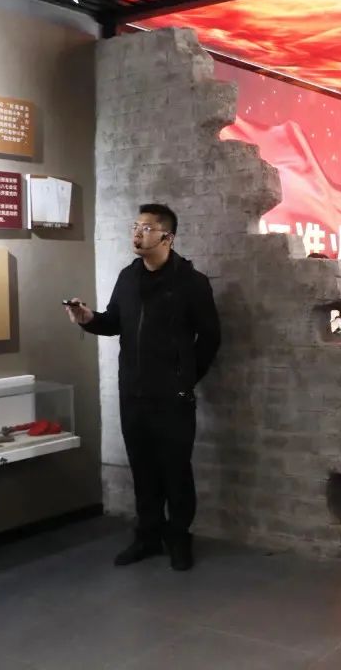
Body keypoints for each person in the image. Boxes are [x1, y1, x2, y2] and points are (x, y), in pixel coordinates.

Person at [66, 203, 220, 572]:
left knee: (175, 470)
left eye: (147, 228)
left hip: (173, 397)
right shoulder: (128, 277)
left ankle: (178, 537)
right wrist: (88, 319)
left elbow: (210, 338)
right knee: (143, 469)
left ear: (168, 237)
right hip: (133, 394)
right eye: (135, 226)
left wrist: (184, 380)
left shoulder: (191, 282)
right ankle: (147, 536)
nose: (137, 233)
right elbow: (114, 322)